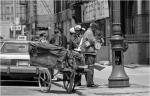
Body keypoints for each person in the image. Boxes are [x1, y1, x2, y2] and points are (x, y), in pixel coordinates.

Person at [81, 22, 104, 87]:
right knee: (90, 68)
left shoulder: (89, 32)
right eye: (95, 28)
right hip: (89, 52)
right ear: (93, 28)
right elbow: (94, 41)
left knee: (90, 67)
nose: (95, 30)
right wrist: (99, 41)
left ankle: (90, 82)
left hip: (90, 52)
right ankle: (90, 83)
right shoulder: (89, 32)